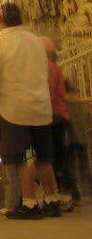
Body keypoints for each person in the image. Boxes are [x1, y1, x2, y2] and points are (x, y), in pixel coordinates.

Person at [0, 3, 57, 219]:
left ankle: (30, 203)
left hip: (12, 108)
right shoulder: (35, 41)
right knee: (44, 158)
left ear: (1, 20)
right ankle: (51, 200)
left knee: (19, 159)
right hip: (40, 106)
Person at [45, 39, 75, 212]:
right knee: (60, 154)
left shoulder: (49, 68)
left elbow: (48, 91)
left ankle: (62, 193)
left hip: (53, 115)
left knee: (53, 156)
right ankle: (69, 192)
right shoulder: (56, 68)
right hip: (60, 114)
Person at [65, 81, 90, 201]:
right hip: (82, 137)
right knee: (84, 165)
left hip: (70, 138)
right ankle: (89, 191)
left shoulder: (65, 102)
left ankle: (77, 194)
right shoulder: (78, 100)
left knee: (71, 166)